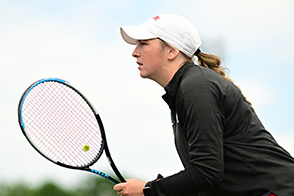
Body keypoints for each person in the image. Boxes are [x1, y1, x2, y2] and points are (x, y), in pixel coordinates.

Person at [114, 14, 294, 196]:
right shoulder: (188, 87)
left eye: (143, 43)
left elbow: (206, 173)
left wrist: (149, 190)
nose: (135, 52)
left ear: (172, 51)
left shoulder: (195, 86)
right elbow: (208, 180)